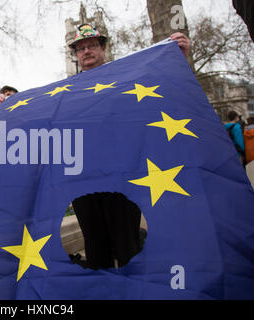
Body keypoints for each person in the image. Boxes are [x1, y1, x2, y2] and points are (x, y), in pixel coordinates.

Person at [66, 24, 191, 270]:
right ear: (76, 55)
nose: (86, 51)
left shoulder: (127, 78)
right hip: (83, 182)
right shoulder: (65, 93)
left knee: (128, 247)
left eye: (92, 45)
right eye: (81, 48)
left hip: (122, 178)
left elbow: (163, 91)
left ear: (103, 48)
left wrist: (179, 60)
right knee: (96, 250)